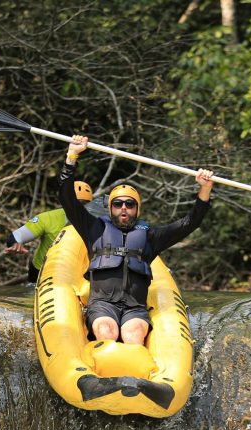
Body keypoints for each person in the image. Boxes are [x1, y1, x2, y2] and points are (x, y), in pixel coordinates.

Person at [58, 134, 213, 345]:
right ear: (111, 207)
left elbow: (189, 223)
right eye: (118, 203)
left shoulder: (150, 237)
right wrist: (72, 156)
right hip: (102, 305)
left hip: (135, 308)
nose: (124, 208)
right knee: (107, 331)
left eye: (129, 204)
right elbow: (67, 198)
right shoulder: (95, 228)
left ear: (137, 209)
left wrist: (204, 189)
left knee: (134, 335)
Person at [6, 180, 106, 282]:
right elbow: (17, 236)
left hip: (78, 271)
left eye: (84, 204)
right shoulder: (47, 218)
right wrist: (15, 243)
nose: (77, 209)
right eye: (73, 203)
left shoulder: (98, 222)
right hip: (41, 272)